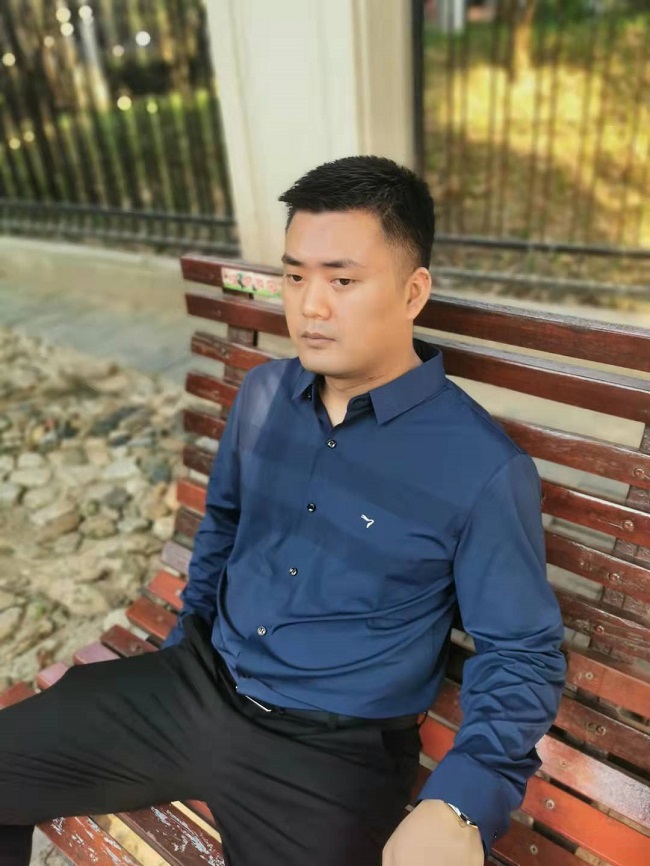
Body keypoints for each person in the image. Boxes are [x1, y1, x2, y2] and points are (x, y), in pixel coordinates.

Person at [0, 156, 566, 866]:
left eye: (342, 280)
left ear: (413, 292)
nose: (310, 306)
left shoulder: (481, 467)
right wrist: (183, 645)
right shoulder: (264, 395)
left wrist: (459, 801)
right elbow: (223, 525)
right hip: (198, 683)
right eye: (295, 277)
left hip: (328, 755)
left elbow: (522, 653)